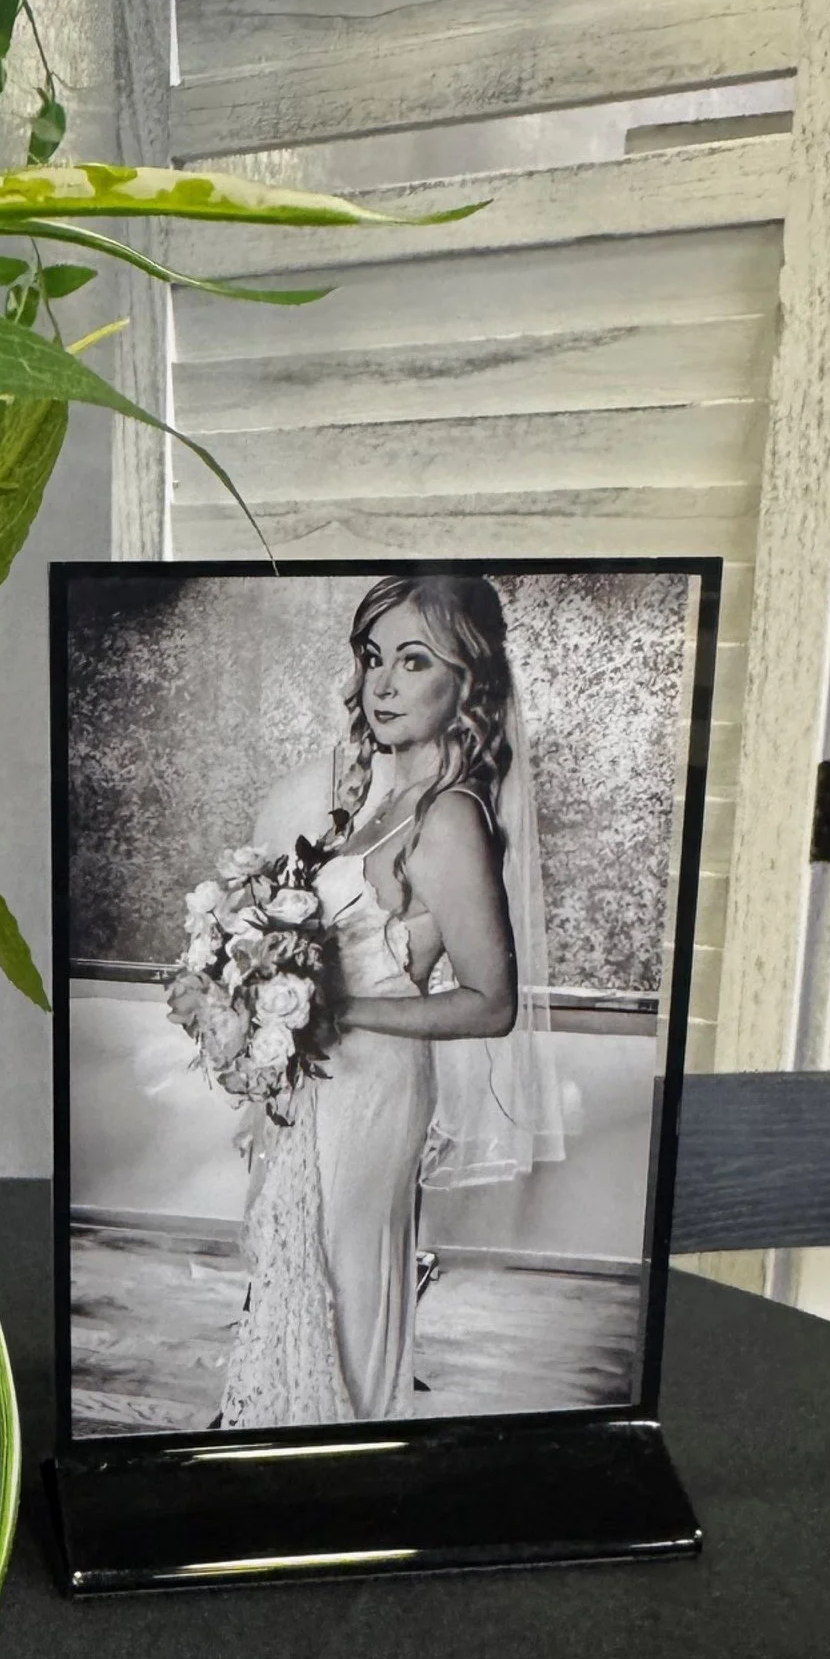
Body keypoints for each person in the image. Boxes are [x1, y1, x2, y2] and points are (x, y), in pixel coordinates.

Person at [219, 573, 563, 1427]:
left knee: (349, 1277)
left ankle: (348, 1437)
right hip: (319, 1080)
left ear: (467, 684)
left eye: (415, 662)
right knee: (299, 1266)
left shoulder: (449, 819)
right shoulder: (373, 802)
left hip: (373, 1086)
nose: (382, 684)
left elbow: (490, 1002)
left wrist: (337, 1014)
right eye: (375, 658)